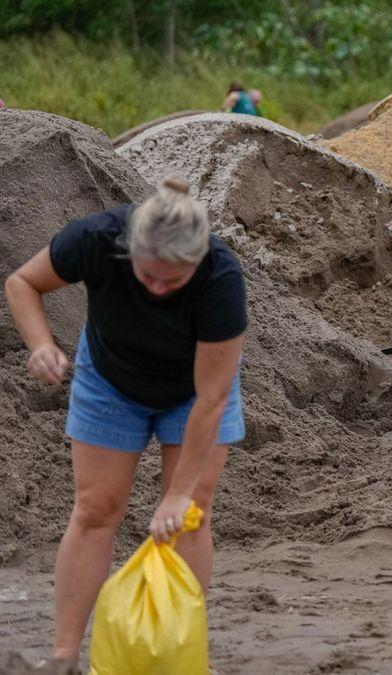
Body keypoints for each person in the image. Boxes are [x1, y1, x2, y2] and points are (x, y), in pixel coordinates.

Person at [4, 176, 247, 668]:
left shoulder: (220, 276)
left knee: (189, 515)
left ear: (196, 262)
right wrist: (41, 344)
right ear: (129, 248)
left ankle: (180, 656)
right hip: (110, 379)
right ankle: (64, 657)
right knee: (95, 508)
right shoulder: (98, 238)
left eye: (171, 281)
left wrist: (178, 494)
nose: (157, 288)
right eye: (147, 275)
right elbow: (22, 283)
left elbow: (212, 396)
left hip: (192, 392)